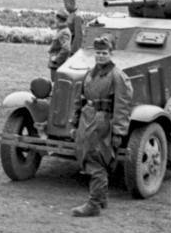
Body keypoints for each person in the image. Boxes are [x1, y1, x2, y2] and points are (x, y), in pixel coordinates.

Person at [70, 36, 133, 217]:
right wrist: (74, 123)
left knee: (96, 159)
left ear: (111, 54)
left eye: (104, 53)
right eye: (98, 53)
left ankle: (94, 204)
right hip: (86, 119)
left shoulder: (117, 76)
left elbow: (123, 105)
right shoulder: (90, 73)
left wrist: (119, 132)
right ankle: (102, 198)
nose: (100, 56)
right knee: (85, 153)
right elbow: (79, 99)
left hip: (104, 122)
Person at [48, 10, 72, 81]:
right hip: (56, 64)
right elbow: (52, 26)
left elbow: (66, 48)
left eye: (56, 19)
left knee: (56, 84)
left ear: (58, 19)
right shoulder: (61, 30)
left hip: (57, 64)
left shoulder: (64, 32)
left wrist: (57, 59)